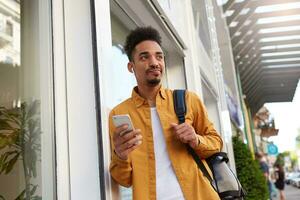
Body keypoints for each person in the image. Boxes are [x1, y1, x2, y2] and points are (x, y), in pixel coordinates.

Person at [109, 26, 223, 200]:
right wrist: (121, 155)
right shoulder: (120, 114)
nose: (154, 62)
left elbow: (216, 143)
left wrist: (195, 139)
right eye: (144, 57)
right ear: (131, 67)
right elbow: (124, 180)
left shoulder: (188, 99)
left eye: (159, 56)